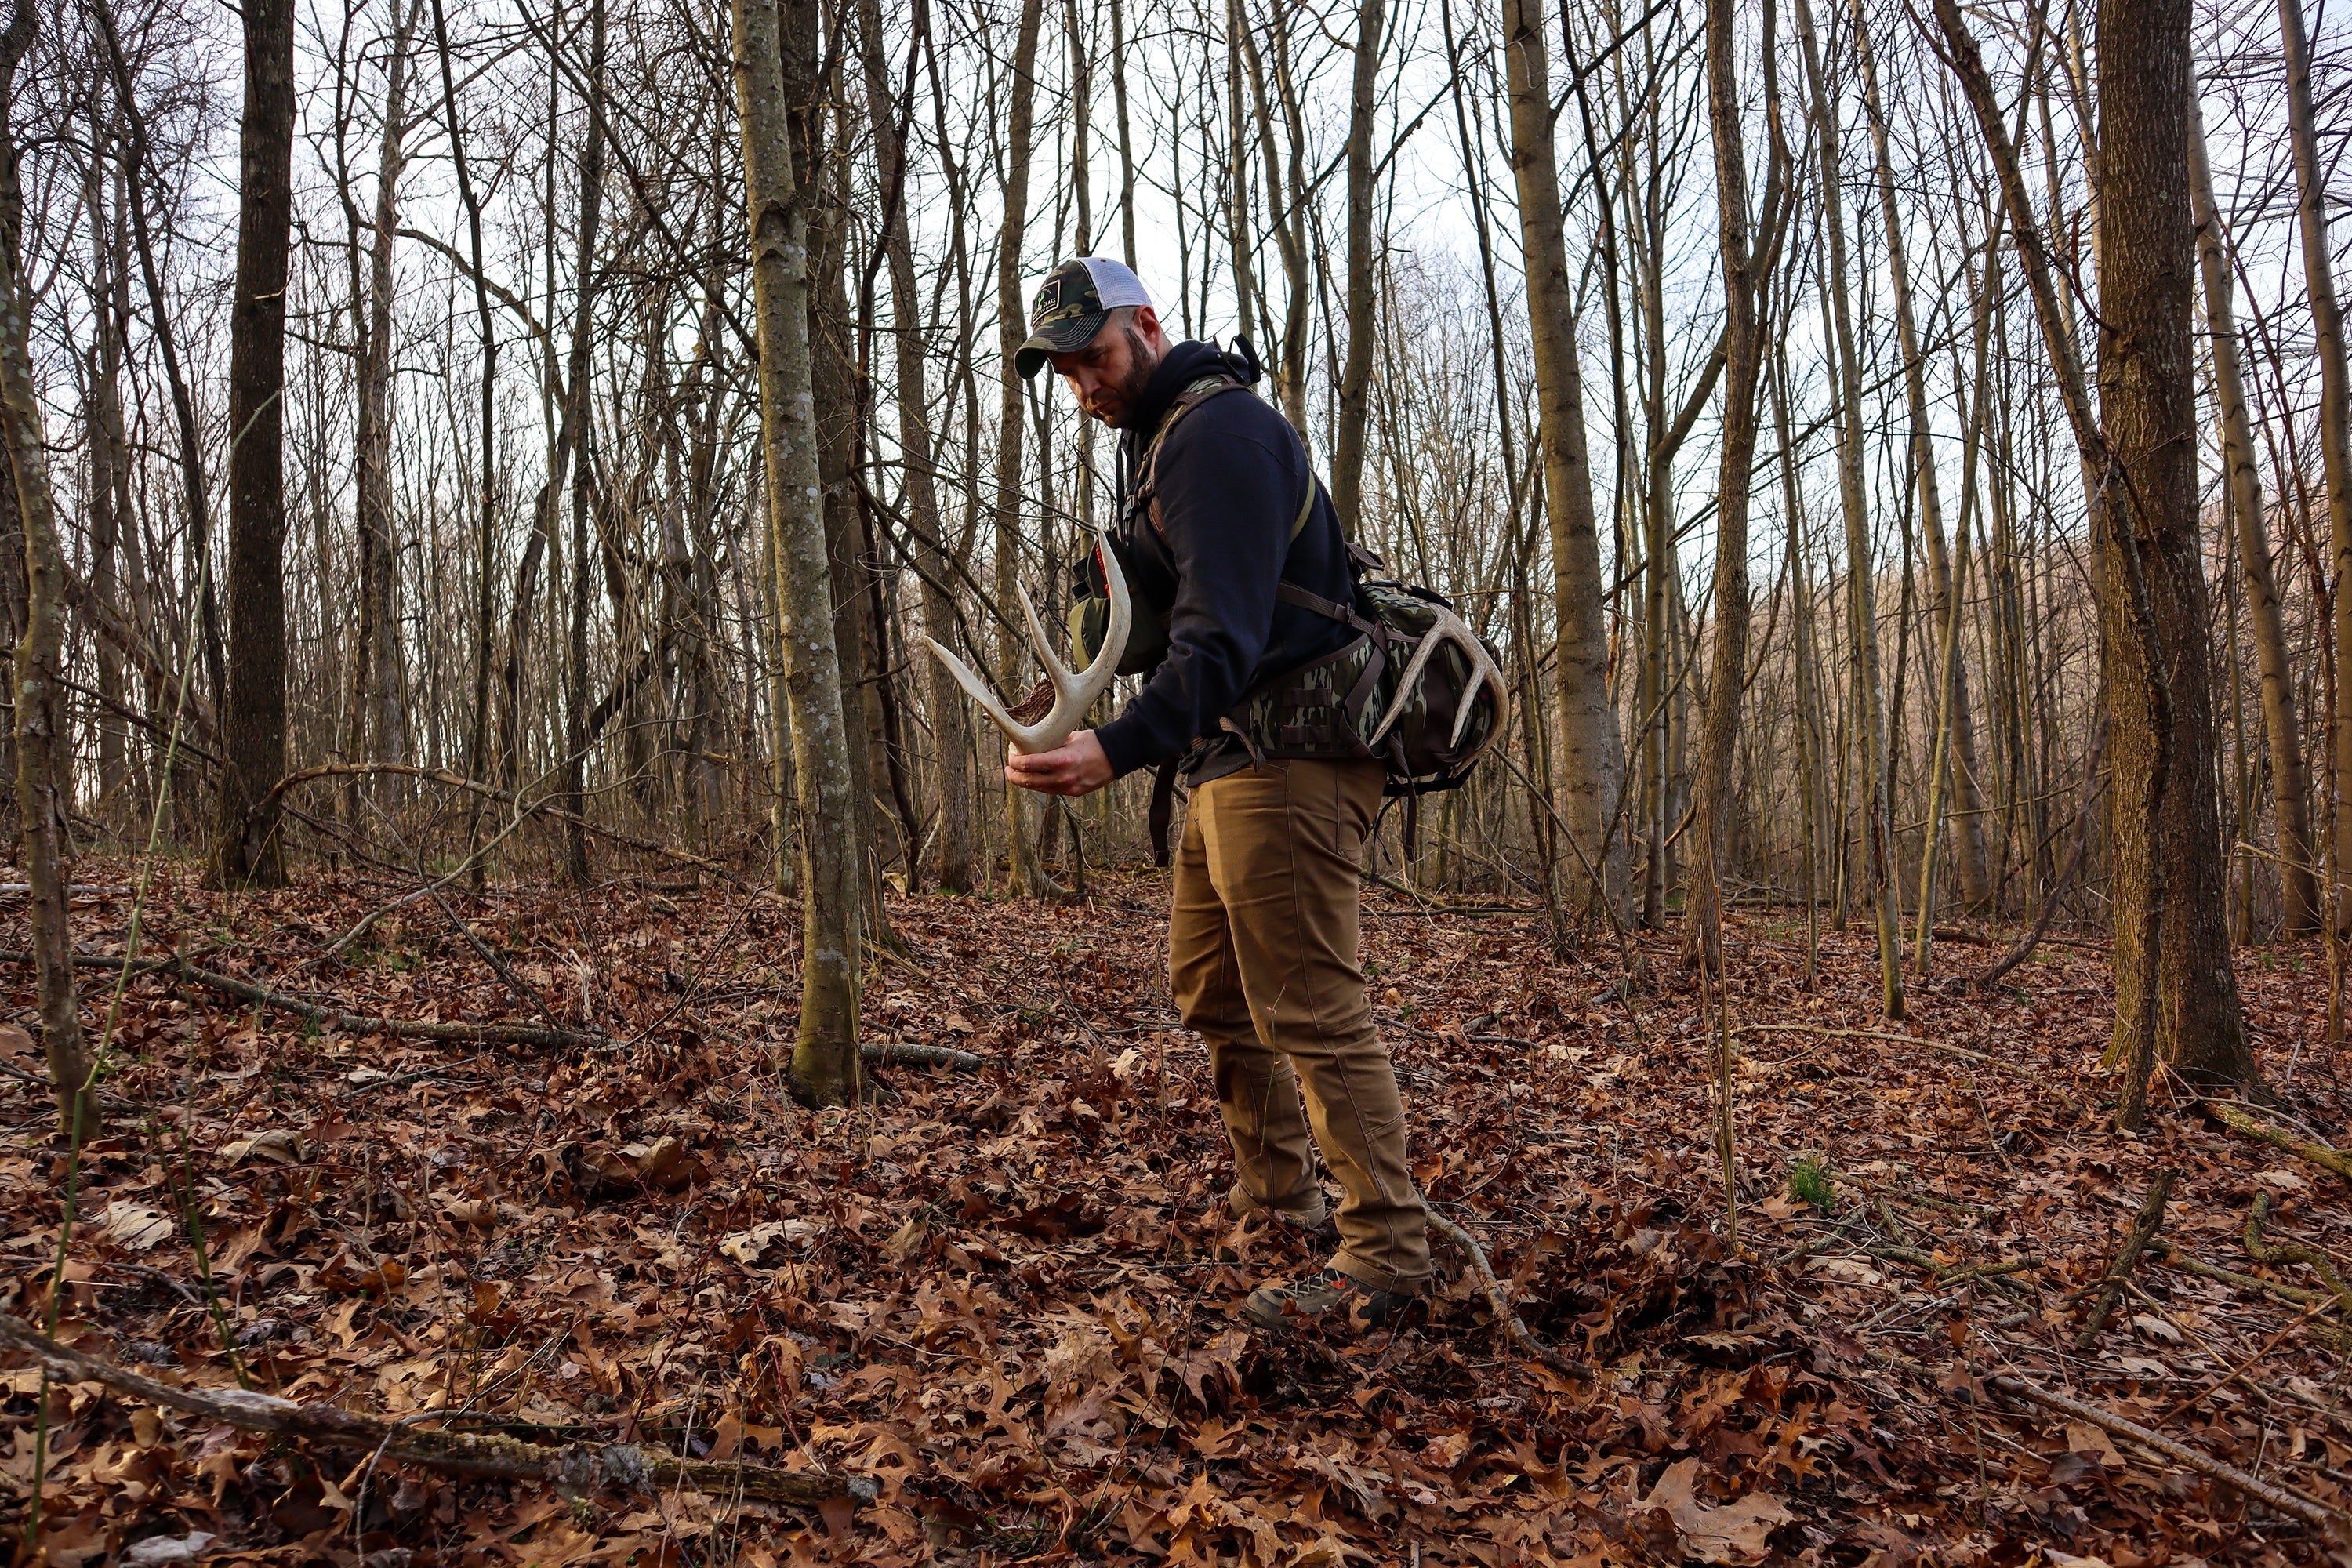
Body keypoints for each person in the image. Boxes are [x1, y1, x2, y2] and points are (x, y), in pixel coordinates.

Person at [1003, 256, 1431, 1333]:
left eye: (1094, 355)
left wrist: (1118, 748)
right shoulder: (1160, 444)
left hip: (1289, 760)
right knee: (1213, 991)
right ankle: (1278, 1202)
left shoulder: (1218, 436)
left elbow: (1225, 635)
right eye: (1062, 369)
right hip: (1226, 759)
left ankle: (1386, 1259)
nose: (1082, 385)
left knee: (1311, 1009)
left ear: (1147, 324)